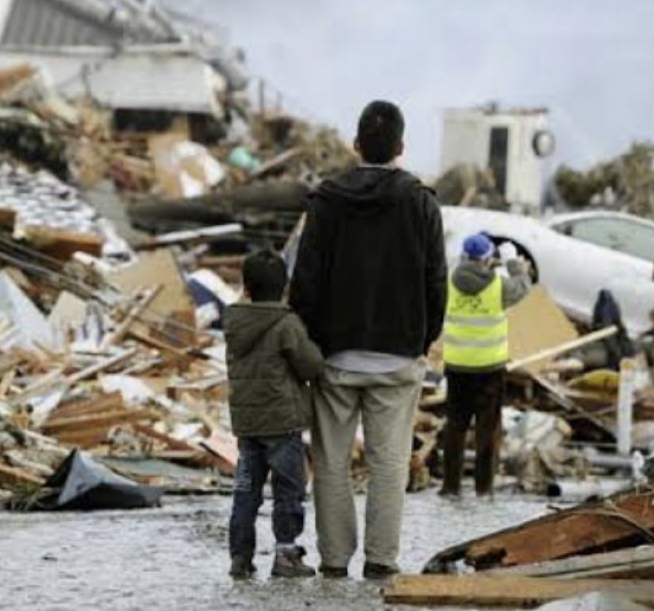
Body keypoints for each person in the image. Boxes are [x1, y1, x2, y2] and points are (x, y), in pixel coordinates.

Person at [289, 99, 447, 580]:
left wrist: (311, 343)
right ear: (401, 147)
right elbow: (436, 280)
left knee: (331, 464)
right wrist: (423, 338)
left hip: (335, 357)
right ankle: (381, 559)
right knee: (390, 464)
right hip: (398, 357)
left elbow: (305, 281)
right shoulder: (421, 202)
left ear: (356, 145)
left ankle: (334, 559)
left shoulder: (326, 202)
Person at [224, 250, 324, 580]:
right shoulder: (287, 324)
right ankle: (285, 555)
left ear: (246, 287)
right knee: (288, 492)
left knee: (246, 491)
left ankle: (240, 557)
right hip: (282, 423)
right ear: (284, 288)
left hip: (247, 424)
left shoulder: (234, 322)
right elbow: (310, 365)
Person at [439, 234, 532, 497]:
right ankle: (483, 488)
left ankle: (450, 486)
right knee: (487, 430)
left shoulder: (448, 283)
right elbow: (523, 287)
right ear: (487, 258)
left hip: (457, 367)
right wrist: (512, 262)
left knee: (455, 427)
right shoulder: (499, 286)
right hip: (489, 369)